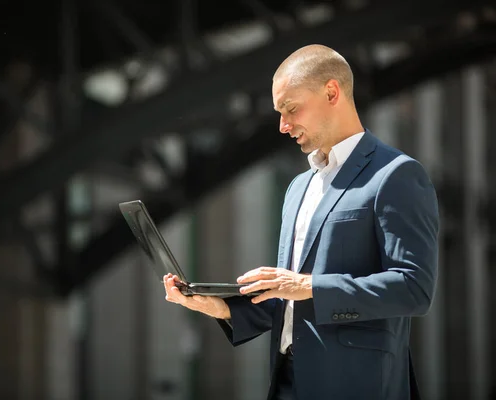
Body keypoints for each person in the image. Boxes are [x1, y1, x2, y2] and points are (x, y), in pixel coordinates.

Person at [163, 44, 439, 400]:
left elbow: (413, 288)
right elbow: (289, 298)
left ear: (331, 92)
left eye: (291, 109)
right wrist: (218, 307)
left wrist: (308, 286)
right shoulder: (298, 188)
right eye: (279, 113)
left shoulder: (396, 175)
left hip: (357, 384)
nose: (283, 125)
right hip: (286, 383)